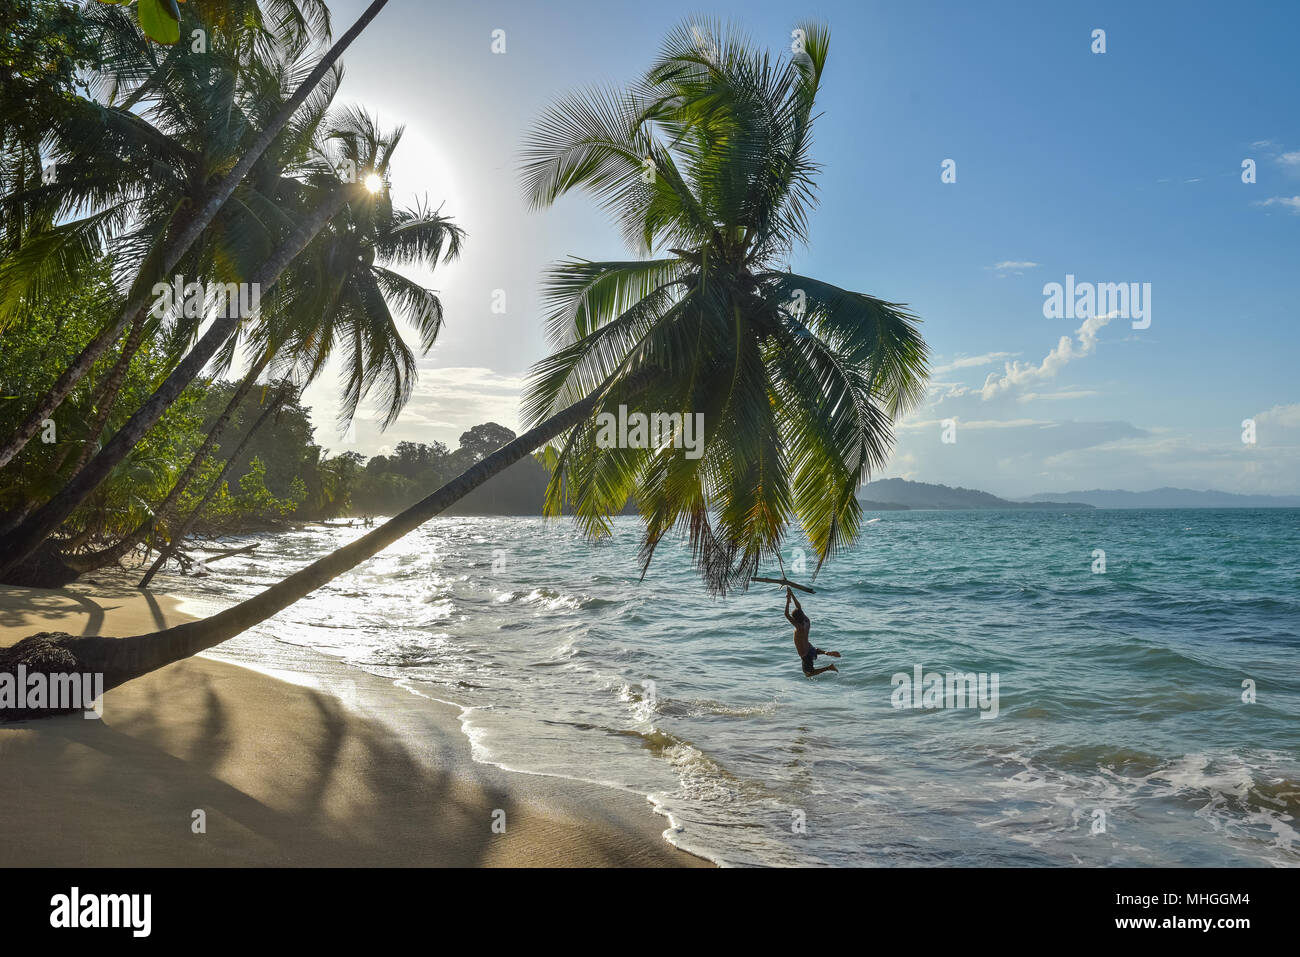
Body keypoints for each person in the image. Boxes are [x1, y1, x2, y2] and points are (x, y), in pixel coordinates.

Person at [784, 587, 840, 676]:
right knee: (813, 650)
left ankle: (829, 667)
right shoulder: (807, 621)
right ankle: (825, 652)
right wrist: (791, 594)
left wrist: (788, 600)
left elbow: (786, 614)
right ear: (802, 614)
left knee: (809, 673)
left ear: (795, 619)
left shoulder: (799, 628)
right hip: (809, 647)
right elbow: (799, 607)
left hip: (805, 654)